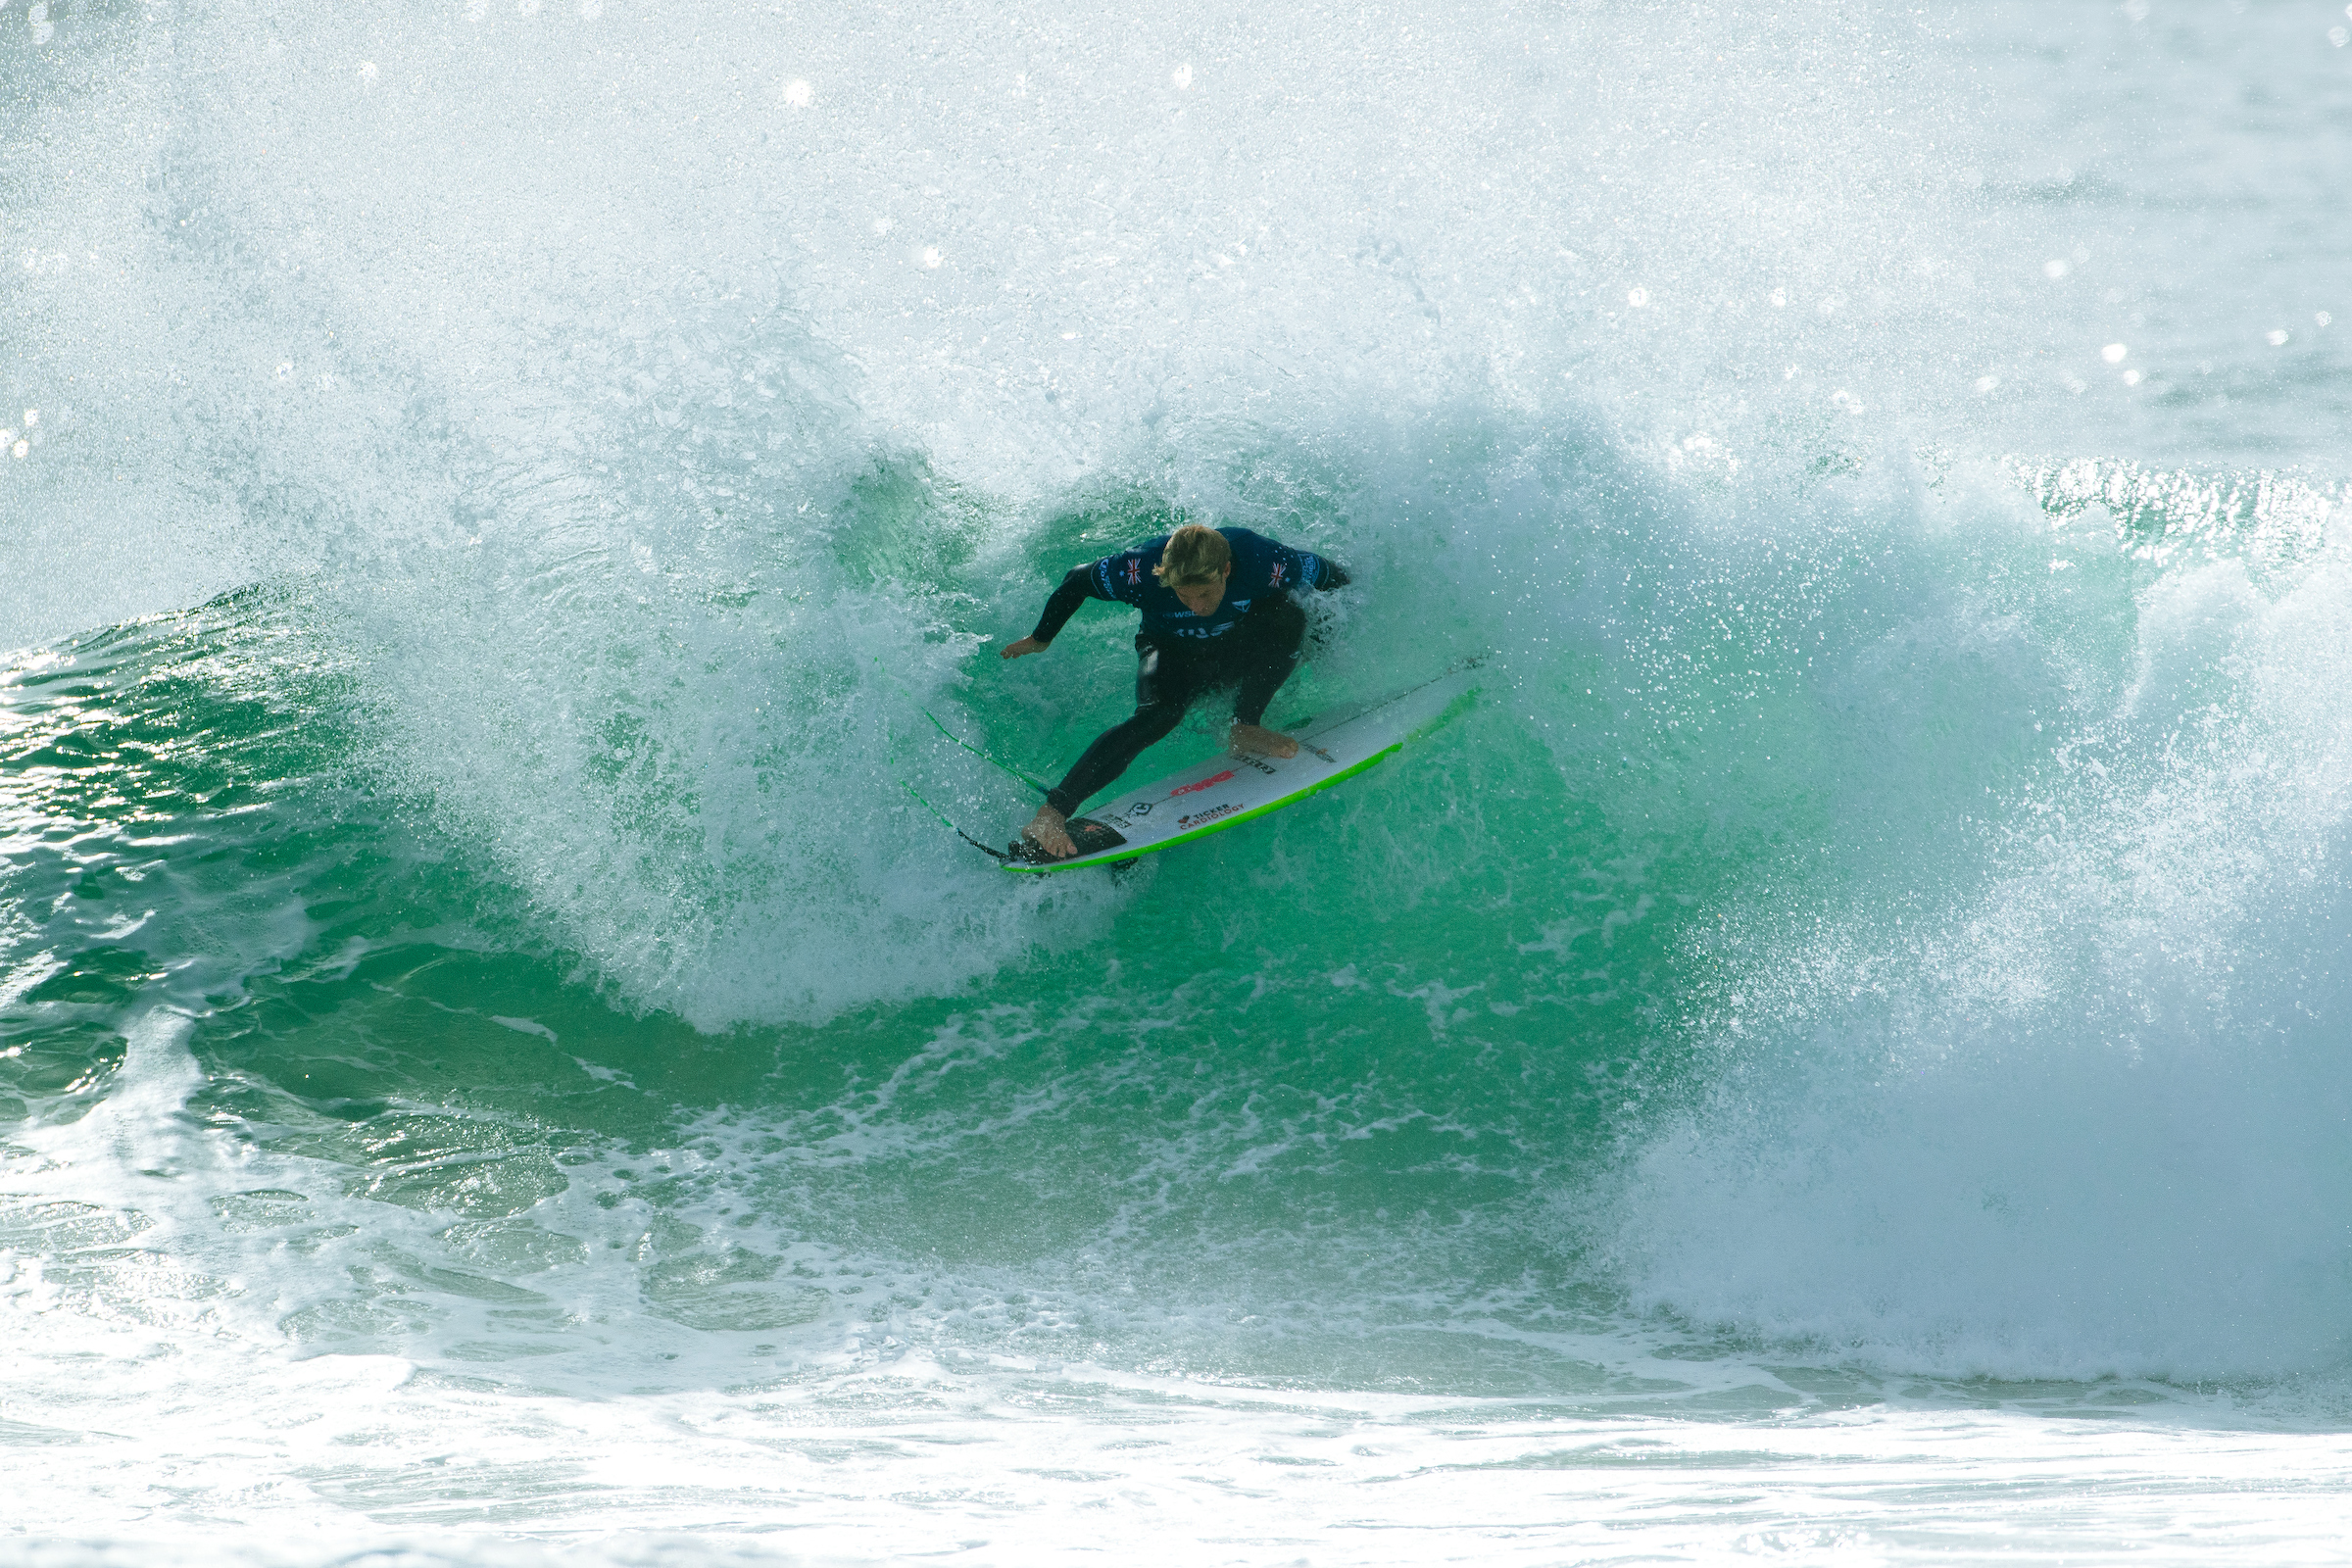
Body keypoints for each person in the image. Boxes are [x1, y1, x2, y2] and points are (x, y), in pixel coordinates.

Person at [999, 522, 1351, 859]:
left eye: (1204, 593)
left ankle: (1246, 725)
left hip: (1235, 647)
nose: (1195, 606)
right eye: (1184, 594)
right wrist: (1040, 638)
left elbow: (1333, 577)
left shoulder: (1264, 559)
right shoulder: (1136, 569)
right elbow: (1076, 581)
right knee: (1158, 716)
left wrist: (1328, 640)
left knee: (1289, 614)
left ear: (1226, 569)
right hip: (1171, 652)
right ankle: (1050, 814)